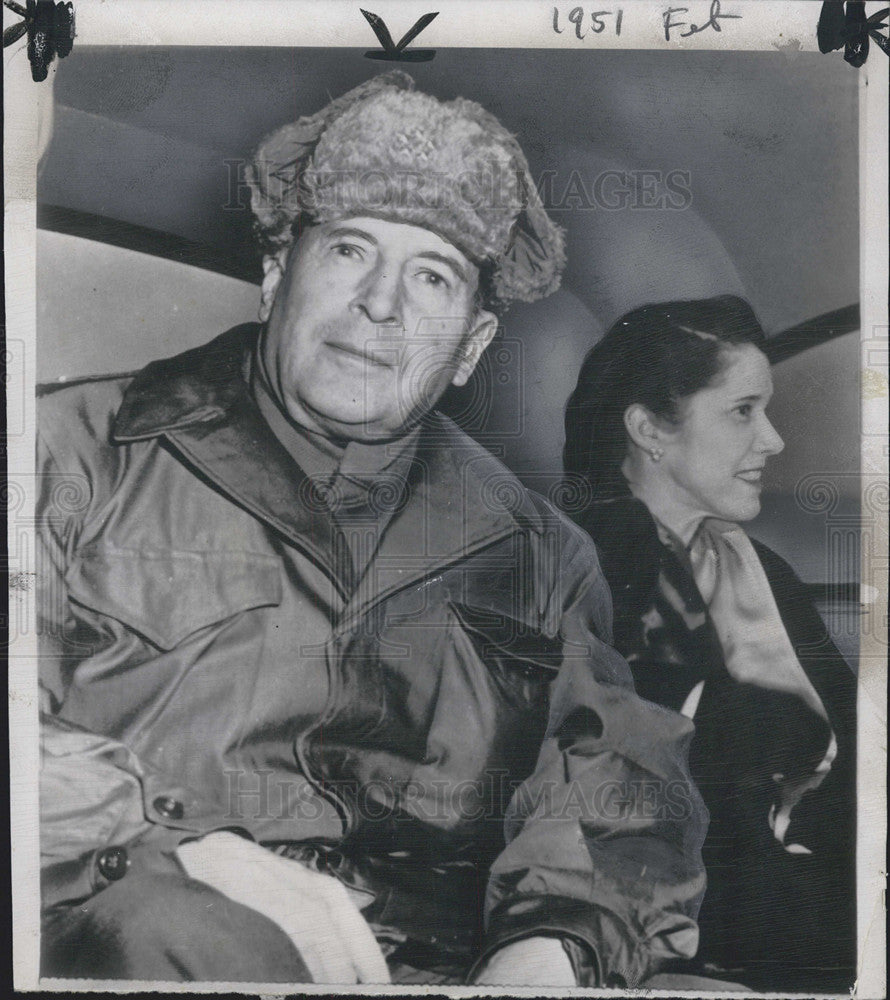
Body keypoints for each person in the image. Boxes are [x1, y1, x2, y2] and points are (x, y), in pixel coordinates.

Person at [36, 72, 710, 987]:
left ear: (470, 348)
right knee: (190, 938)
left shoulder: (540, 555)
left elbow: (621, 794)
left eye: (431, 276)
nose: (382, 306)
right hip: (137, 924)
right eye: (351, 251)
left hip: (433, 965)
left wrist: (556, 945)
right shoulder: (70, 452)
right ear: (277, 278)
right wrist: (173, 853)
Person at [563, 295, 857, 992]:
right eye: (742, 411)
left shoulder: (757, 569)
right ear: (648, 430)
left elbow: (853, 760)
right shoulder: (596, 566)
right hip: (693, 930)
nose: (774, 440)